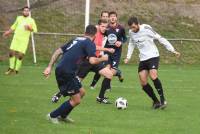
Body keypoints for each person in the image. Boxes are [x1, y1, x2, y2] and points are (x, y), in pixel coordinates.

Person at [43, 25, 109, 124]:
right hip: (66, 72)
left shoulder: (76, 39)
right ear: (95, 35)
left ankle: (63, 116)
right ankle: (52, 115)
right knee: (76, 100)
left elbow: (58, 51)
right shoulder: (90, 43)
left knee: (81, 92)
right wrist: (103, 59)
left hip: (66, 70)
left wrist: (49, 67)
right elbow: (92, 61)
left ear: (85, 33)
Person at [51, 19, 115, 104]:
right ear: (98, 26)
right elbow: (94, 46)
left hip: (95, 60)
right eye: (102, 26)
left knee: (109, 74)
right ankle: (58, 94)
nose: (104, 28)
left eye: (105, 27)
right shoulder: (93, 34)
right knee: (77, 82)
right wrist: (107, 49)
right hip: (86, 61)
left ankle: (100, 97)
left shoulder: (102, 35)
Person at [124, 16, 180, 109]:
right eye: (130, 28)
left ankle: (163, 99)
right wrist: (128, 57)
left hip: (153, 56)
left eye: (134, 27)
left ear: (138, 24)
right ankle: (156, 101)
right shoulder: (131, 32)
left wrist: (172, 50)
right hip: (143, 58)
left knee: (153, 75)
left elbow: (160, 38)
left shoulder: (146, 28)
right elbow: (131, 43)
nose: (132, 29)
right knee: (143, 82)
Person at [96, 11, 127, 102]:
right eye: (111, 16)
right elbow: (101, 36)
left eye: (114, 16)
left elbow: (125, 38)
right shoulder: (106, 28)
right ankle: (101, 96)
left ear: (116, 18)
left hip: (116, 54)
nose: (112, 18)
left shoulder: (120, 28)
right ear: (109, 18)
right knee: (108, 72)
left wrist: (121, 42)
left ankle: (117, 73)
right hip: (107, 53)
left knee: (111, 72)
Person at [3, 6, 37, 74]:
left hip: (24, 40)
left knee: (20, 55)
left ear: (29, 12)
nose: (26, 12)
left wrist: (29, 28)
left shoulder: (31, 20)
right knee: (11, 52)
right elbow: (13, 26)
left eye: (27, 11)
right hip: (16, 38)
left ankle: (16, 69)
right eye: (25, 10)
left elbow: (35, 30)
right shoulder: (18, 18)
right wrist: (8, 32)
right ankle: (11, 68)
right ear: (23, 11)